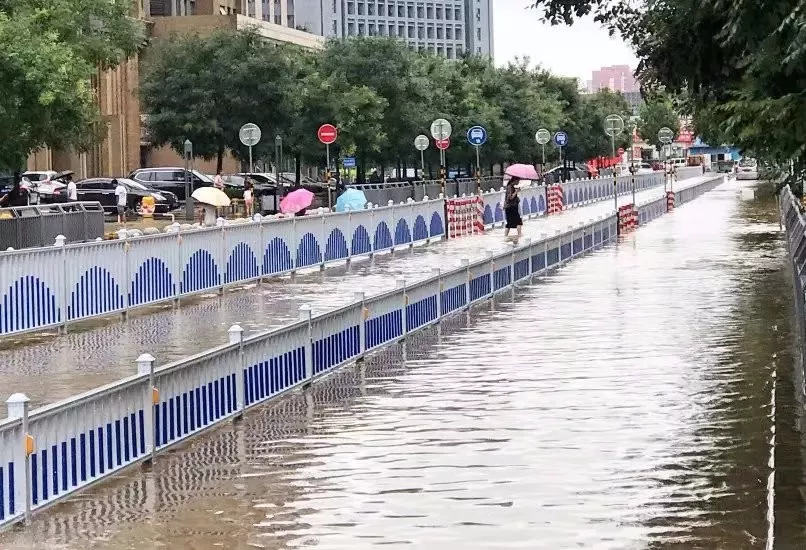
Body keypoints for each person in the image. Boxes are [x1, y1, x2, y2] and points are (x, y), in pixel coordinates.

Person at [504, 178, 523, 244]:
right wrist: (516, 192)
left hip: (513, 207)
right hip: (510, 207)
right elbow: (510, 198)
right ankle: (518, 234)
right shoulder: (509, 187)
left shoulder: (512, 187)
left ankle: (518, 234)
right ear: (514, 180)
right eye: (518, 181)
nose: (518, 182)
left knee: (515, 221)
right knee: (514, 221)